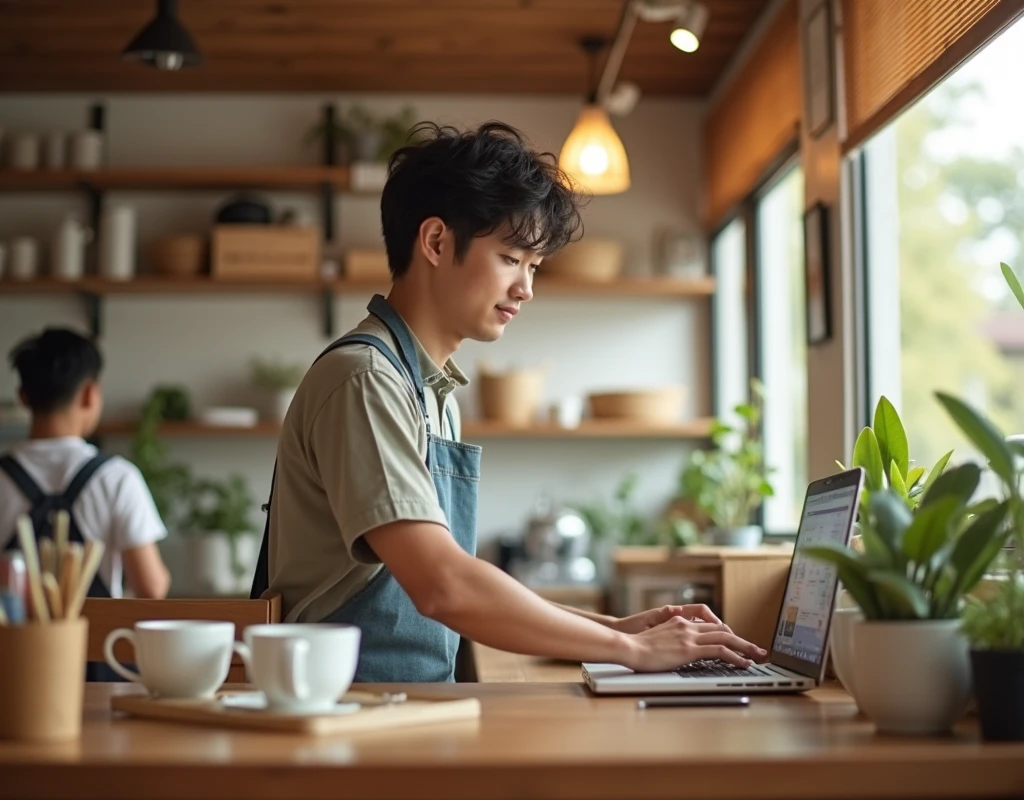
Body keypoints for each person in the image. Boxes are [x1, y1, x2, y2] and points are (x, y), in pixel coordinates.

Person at [251, 121, 766, 682]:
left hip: (397, 711)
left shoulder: (428, 386)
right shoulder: (368, 380)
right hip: (347, 716)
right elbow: (444, 585)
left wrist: (617, 630)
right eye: (511, 258)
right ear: (436, 242)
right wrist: (634, 652)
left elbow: (455, 579)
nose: (526, 288)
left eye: (534, 267)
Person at [0, 328, 171, 603]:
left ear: (22, 396)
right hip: (95, 641)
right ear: (90, 394)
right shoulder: (117, 478)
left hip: (12, 643)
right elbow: (150, 588)